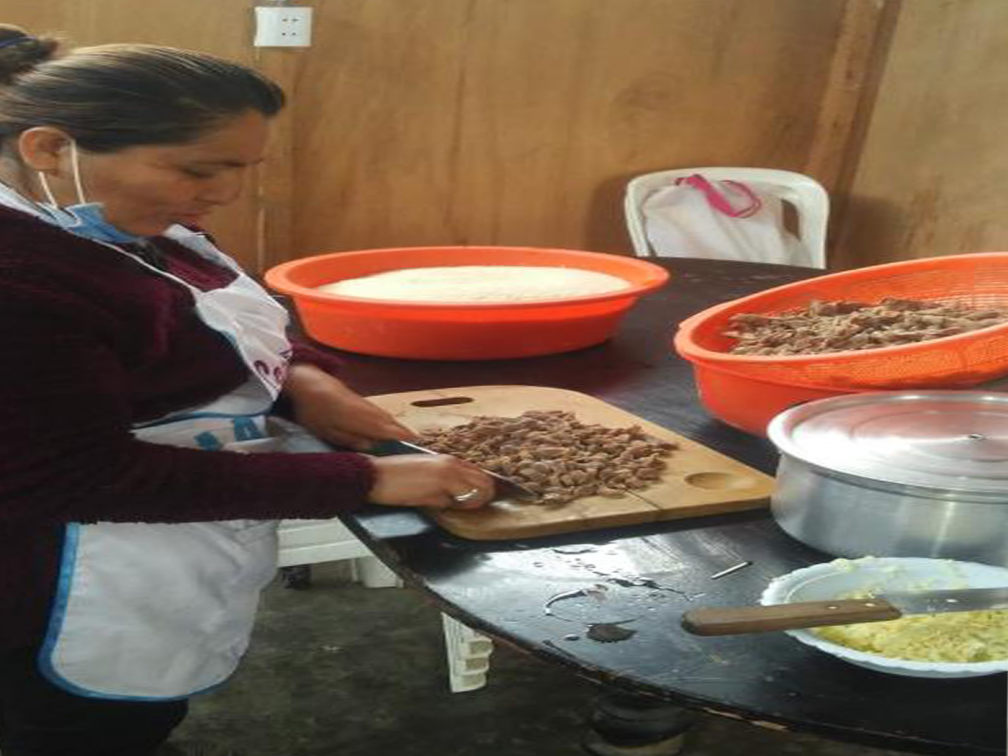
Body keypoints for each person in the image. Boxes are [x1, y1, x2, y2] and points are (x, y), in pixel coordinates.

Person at [0, 25, 495, 756]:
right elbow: (77, 477)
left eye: (242, 167)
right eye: (199, 169)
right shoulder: (22, 282)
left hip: (166, 548)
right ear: (49, 150)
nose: (226, 194)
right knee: (80, 731)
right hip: (54, 580)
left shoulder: (120, 220)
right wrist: (362, 479)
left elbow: (219, 313)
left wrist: (304, 378)